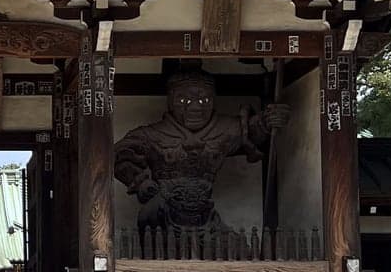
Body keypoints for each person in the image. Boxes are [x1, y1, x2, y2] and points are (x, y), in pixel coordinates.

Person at [113, 65, 290, 228]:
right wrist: (141, 182)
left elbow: (252, 131)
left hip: (206, 214)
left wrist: (268, 122)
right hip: (162, 213)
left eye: (204, 100)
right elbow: (119, 154)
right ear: (171, 100)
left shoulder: (224, 129)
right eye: (184, 101)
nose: (196, 107)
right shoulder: (152, 135)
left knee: (236, 249)